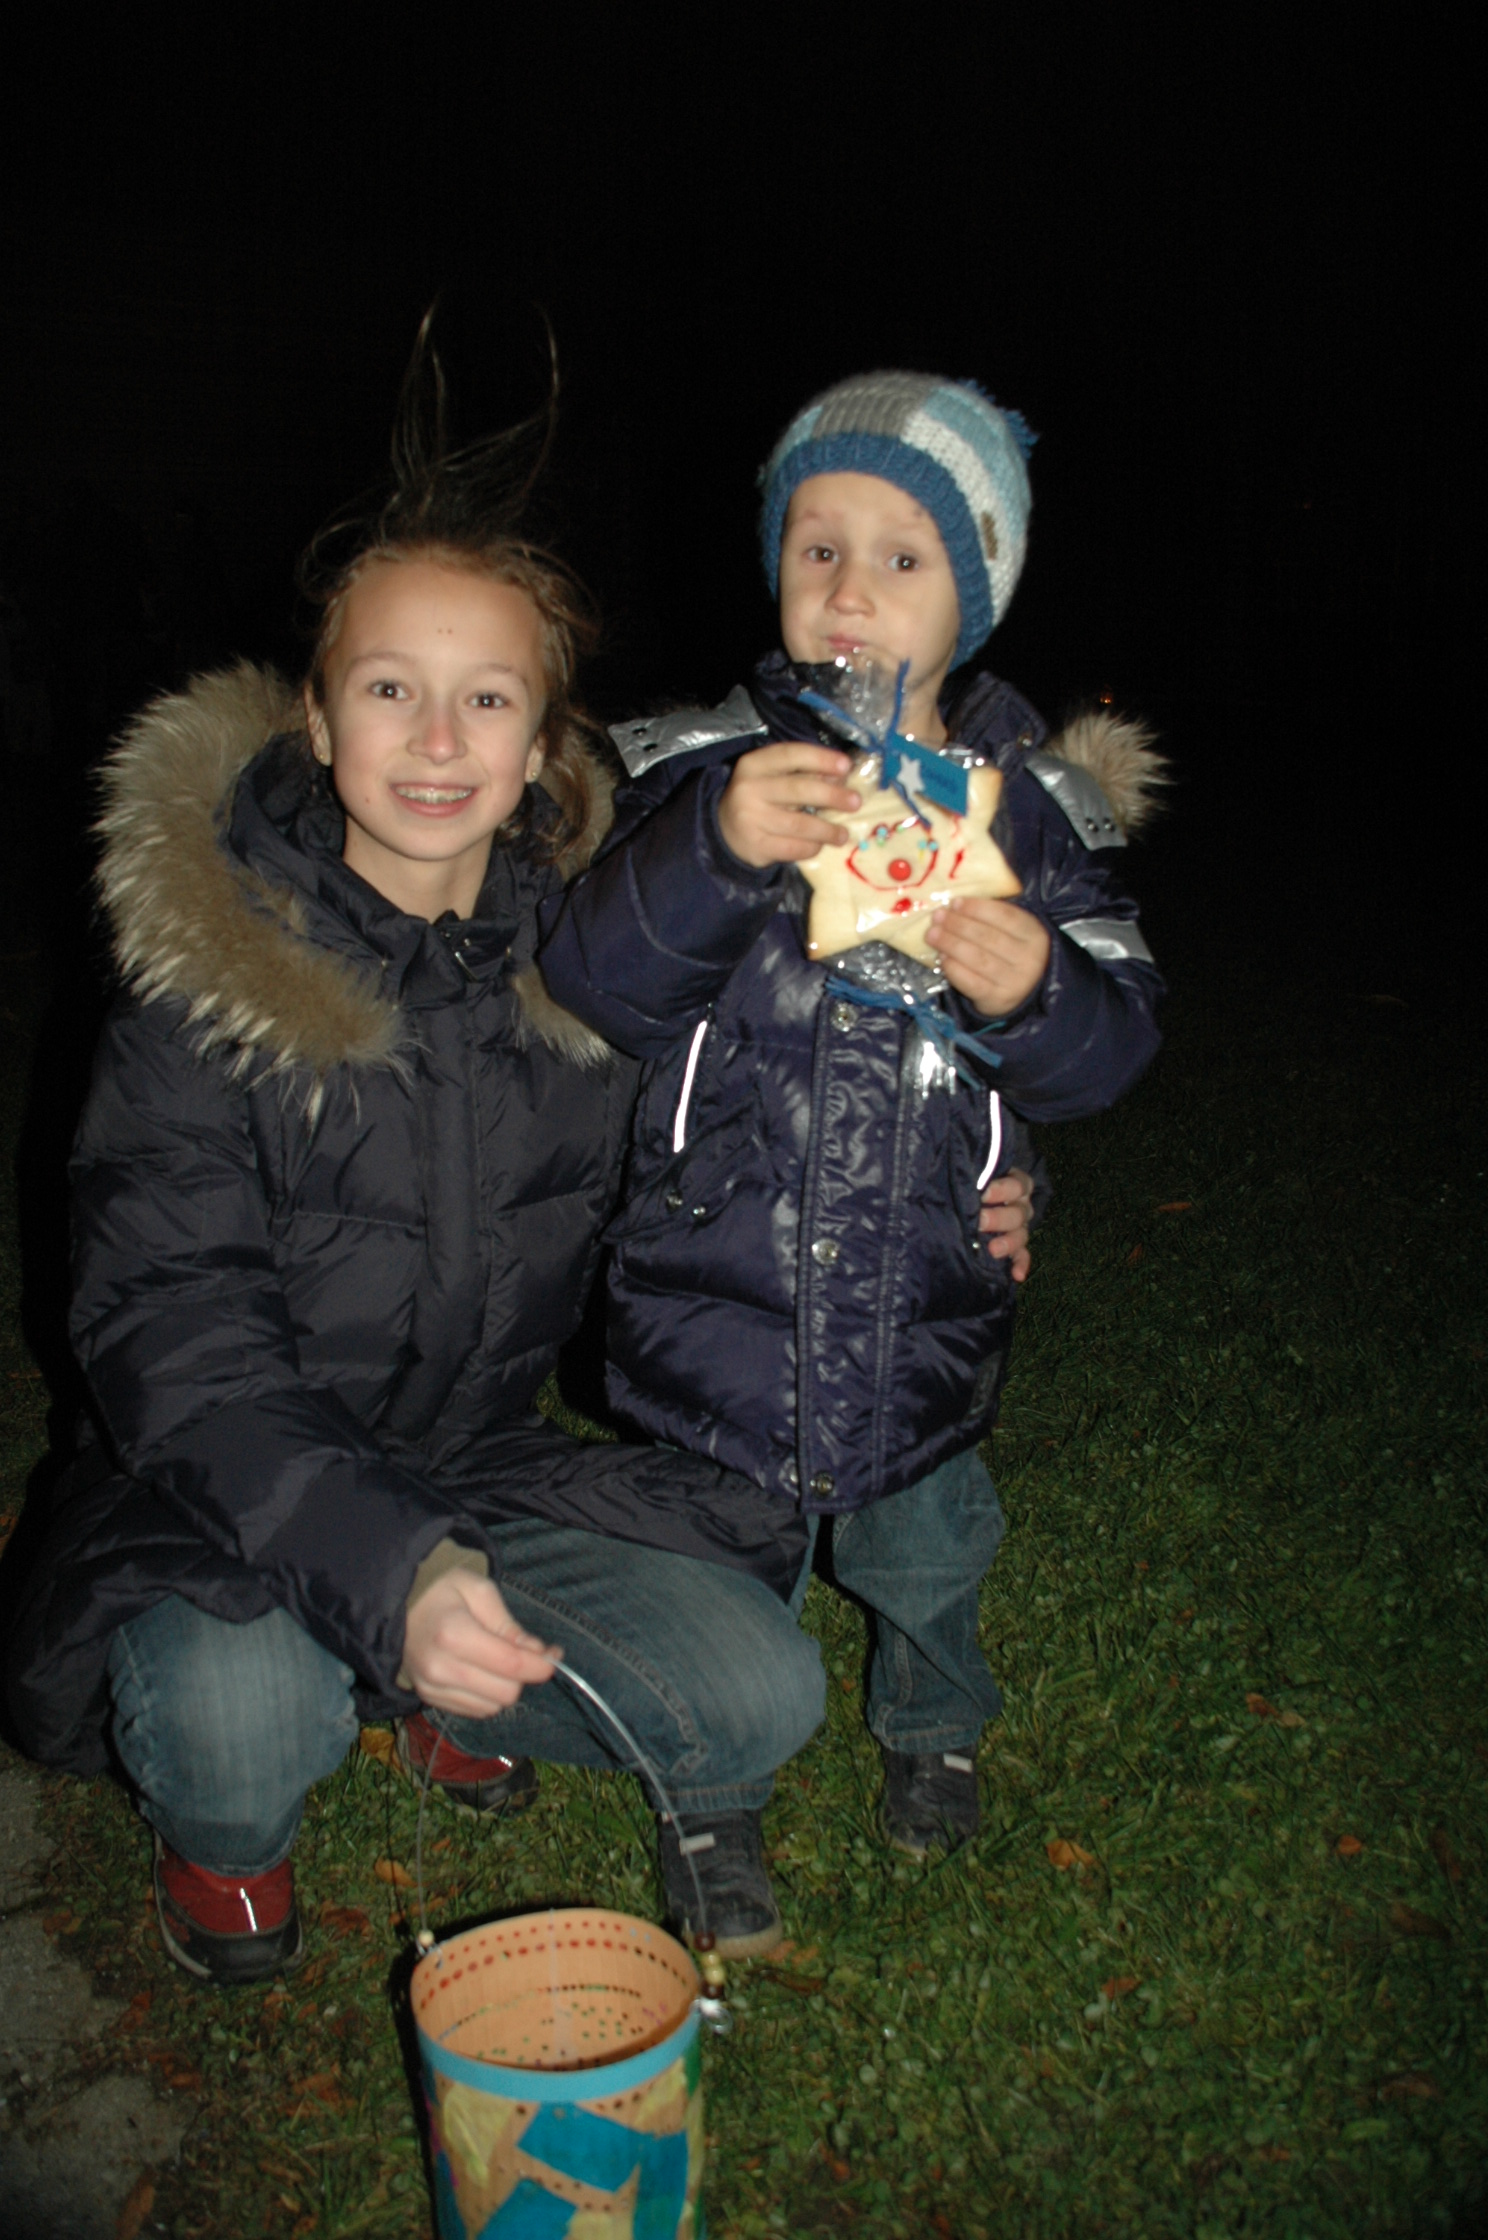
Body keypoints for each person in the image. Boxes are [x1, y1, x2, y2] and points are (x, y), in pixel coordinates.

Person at [3, 375, 858, 1980]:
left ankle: (424, 1677)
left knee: (760, 1689)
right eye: (391, 688)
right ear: (319, 723)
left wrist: (960, 1203)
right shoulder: (205, 982)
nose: (439, 741)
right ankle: (230, 1830)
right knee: (246, 1718)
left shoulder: (595, 973)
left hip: (472, 1462)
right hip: (214, 1487)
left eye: (488, 699)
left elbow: (744, 1170)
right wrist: (393, 1565)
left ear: (542, 747)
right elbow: (173, 1339)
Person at [539, 371, 1166, 1915]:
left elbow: (1116, 1047)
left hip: (919, 1287)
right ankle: (710, 1799)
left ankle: (934, 1725)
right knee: (708, 1566)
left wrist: (1041, 989)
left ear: (980, 592)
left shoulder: (1030, 816)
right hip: (717, 1279)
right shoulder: (705, 772)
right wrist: (713, 851)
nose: (850, 590)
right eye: (817, 547)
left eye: (903, 556)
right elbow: (595, 981)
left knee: (929, 1539)